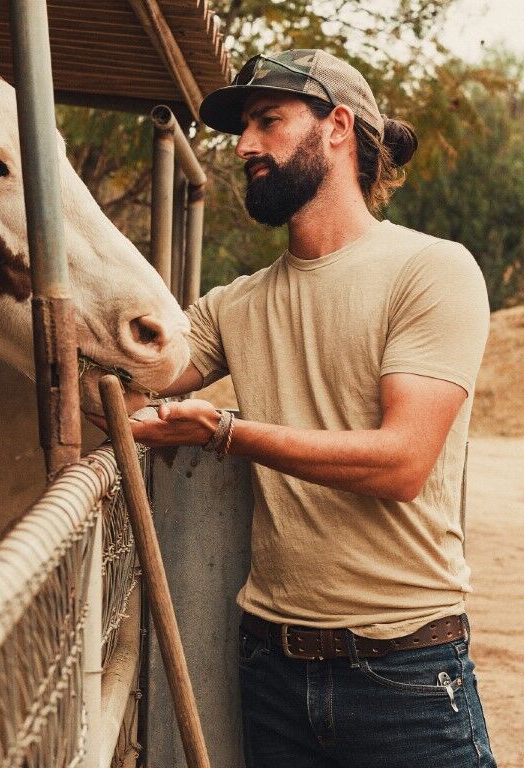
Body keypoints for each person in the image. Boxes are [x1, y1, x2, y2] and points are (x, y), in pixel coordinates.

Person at [107, 50, 496, 767]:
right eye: (244, 128)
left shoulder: (431, 270)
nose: (246, 145)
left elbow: (402, 462)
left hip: (404, 673)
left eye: (268, 121)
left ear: (338, 126)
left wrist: (226, 432)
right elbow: (130, 383)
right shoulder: (235, 303)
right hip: (271, 669)